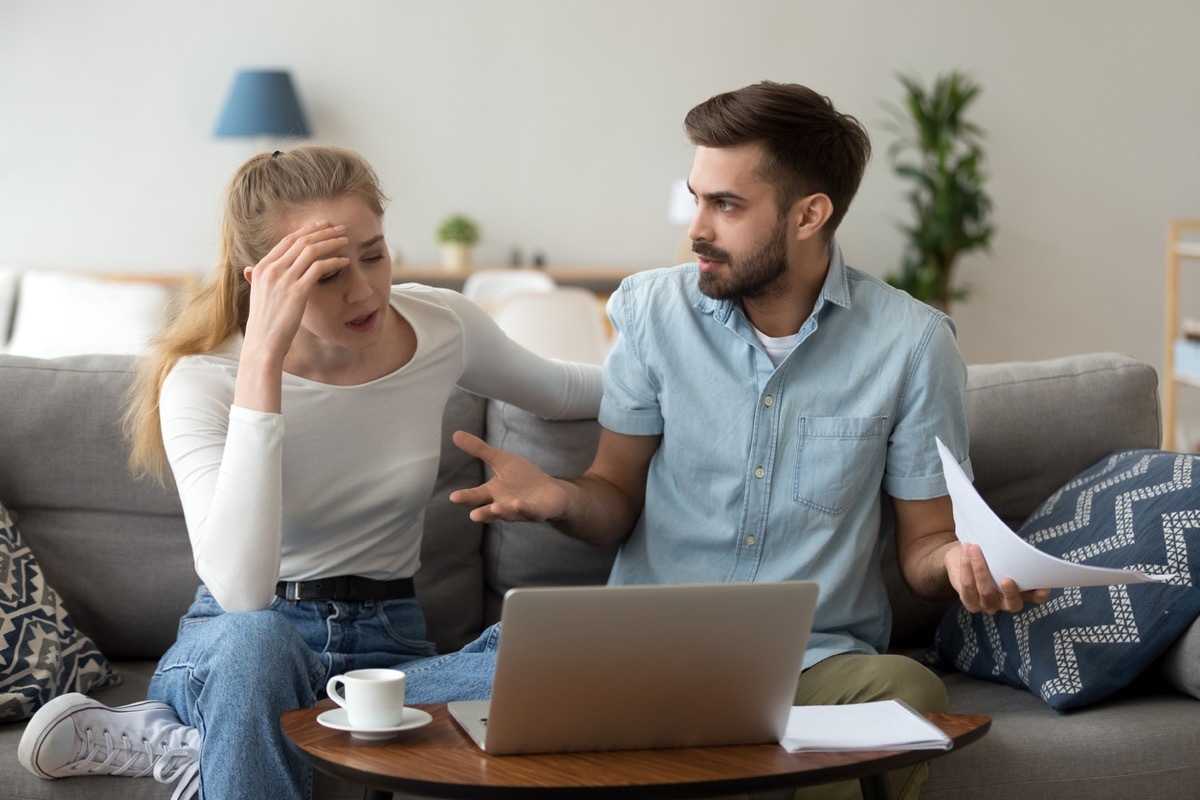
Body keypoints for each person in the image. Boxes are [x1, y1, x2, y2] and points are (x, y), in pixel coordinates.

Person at [447, 82, 1048, 800]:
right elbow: (611, 497)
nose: (697, 227)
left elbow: (923, 545)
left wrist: (956, 559)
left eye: (725, 205)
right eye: (697, 197)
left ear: (810, 214)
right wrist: (559, 500)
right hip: (647, 658)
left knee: (906, 688)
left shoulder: (913, 345)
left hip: (815, 665)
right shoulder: (651, 311)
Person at [16, 145, 602, 800]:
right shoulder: (205, 380)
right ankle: (258, 727)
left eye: (374, 254)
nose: (364, 290)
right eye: (324, 275)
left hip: (390, 649)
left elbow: (570, 392)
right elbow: (240, 593)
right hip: (240, 646)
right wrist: (262, 359)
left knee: (547, 660)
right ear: (262, 280)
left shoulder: (440, 326)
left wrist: (696, 366)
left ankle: (213, 744)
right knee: (259, 641)